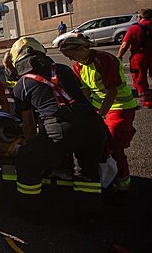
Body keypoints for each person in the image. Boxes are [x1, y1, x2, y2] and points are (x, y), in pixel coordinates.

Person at [9, 37, 107, 227]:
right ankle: (88, 215)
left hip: (60, 127)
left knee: (27, 162)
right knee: (87, 169)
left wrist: (34, 148)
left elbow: (28, 125)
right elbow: (81, 94)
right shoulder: (62, 69)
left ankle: (30, 209)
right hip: (94, 124)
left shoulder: (22, 85)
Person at [60, 35, 137, 198]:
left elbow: (112, 91)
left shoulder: (104, 60)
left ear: (82, 49)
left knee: (114, 143)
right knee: (96, 144)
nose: (71, 59)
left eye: (72, 55)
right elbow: (86, 90)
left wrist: (100, 115)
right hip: (99, 105)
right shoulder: (79, 66)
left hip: (119, 106)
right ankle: (106, 179)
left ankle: (123, 186)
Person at [117, 8, 152, 108]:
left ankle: (147, 102)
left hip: (139, 58)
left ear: (140, 17)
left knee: (140, 80)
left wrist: (119, 56)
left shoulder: (134, 29)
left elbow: (124, 45)